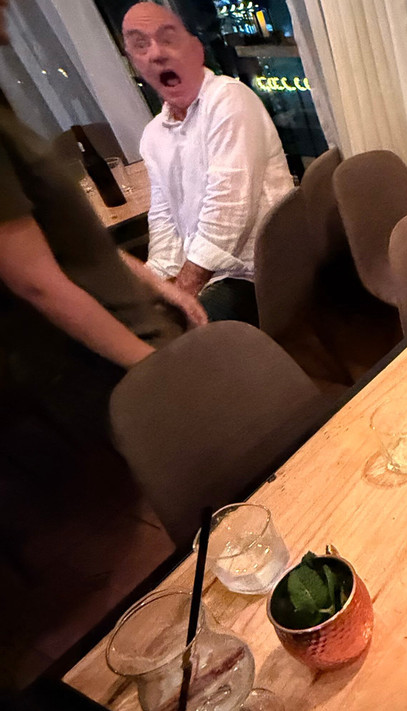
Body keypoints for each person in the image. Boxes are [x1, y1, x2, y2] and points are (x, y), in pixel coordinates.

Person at [0, 0, 206, 437]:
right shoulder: (152, 134)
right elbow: (35, 281)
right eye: (140, 45)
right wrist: (151, 367)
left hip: (142, 319)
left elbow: (76, 242)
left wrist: (159, 284)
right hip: (109, 351)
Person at [121, 2, 294, 324]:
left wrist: (182, 293)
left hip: (261, 269)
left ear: (195, 50)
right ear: (135, 63)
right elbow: (164, 218)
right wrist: (156, 282)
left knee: (174, 335)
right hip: (215, 274)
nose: (156, 53)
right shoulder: (153, 135)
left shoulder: (229, 99)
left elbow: (229, 210)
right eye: (141, 45)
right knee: (138, 324)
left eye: (168, 39)